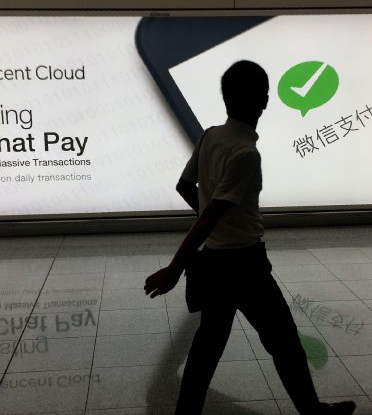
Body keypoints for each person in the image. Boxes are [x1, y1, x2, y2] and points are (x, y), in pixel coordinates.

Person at [144, 60, 356, 415]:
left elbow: (187, 187)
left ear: (225, 99)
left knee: (206, 349)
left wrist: (213, 223)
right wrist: (175, 268)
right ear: (265, 101)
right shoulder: (246, 154)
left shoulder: (211, 135)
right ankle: (313, 412)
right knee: (285, 345)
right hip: (245, 267)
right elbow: (211, 215)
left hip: (213, 264)